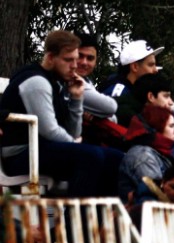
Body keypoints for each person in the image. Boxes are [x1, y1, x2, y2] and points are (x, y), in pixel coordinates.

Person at [0, 30, 124, 198]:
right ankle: (74, 219)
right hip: (20, 154)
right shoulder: (37, 81)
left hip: (43, 149)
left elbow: (74, 133)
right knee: (90, 156)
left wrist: (77, 97)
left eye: (75, 59)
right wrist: (76, 144)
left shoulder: (58, 82)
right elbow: (50, 131)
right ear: (51, 57)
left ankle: (101, 217)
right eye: (68, 60)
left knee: (116, 159)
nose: (74, 65)